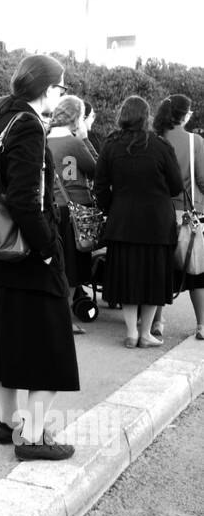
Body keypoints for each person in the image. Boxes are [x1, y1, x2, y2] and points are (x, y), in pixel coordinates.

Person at [0, 54, 79, 460]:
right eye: (60, 87)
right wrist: (50, 251)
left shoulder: (0, 119)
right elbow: (25, 200)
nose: (60, 94)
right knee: (52, 351)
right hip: (27, 256)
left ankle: (10, 423)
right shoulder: (30, 127)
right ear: (48, 88)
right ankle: (33, 437)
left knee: (4, 343)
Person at [93, 95, 183, 347]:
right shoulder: (160, 145)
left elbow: (100, 185)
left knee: (127, 276)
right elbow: (176, 186)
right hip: (157, 223)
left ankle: (132, 332)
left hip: (122, 222)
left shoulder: (110, 145)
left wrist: (112, 207)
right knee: (155, 276)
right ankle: (146, 334)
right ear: (146, 117)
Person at [152, 94, 204, 339]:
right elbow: (202, 179)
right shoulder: (195, 142)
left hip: (160, 212)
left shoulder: (155, 139)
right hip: (189, 212)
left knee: (162, 267)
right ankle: (202, 325)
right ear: (185, 115)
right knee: (196, 271)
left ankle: (158, 320)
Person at [47, 94, 99, 334]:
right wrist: (85, 139)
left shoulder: (44, 140)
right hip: (74, 210)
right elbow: (96, 169)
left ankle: (54, 316)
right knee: (72, 267)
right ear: (77, 118)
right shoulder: (74, 143)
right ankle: (64, 319)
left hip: (51, 207)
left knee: (56, 264)